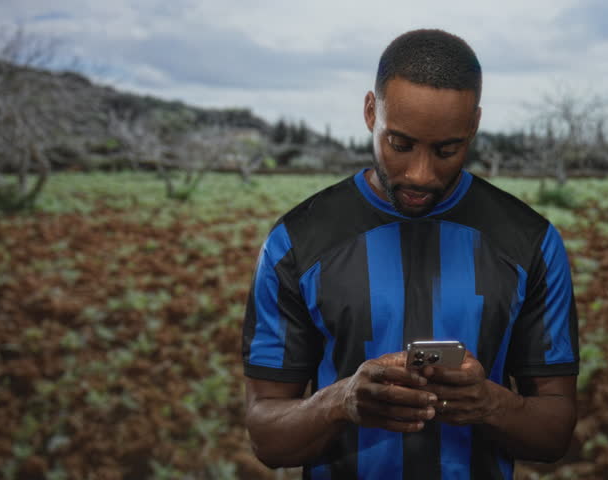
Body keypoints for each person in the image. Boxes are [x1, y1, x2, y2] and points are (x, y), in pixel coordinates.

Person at [242, 28, 579, 480]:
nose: (421, 174)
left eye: (447, 150)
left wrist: (491, 403)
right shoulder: (295, 242)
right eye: (400, 144)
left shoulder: (531, 242)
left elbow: (554, 433)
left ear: (474, 126)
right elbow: (267, 436)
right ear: (369, 112)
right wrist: (341, 402)